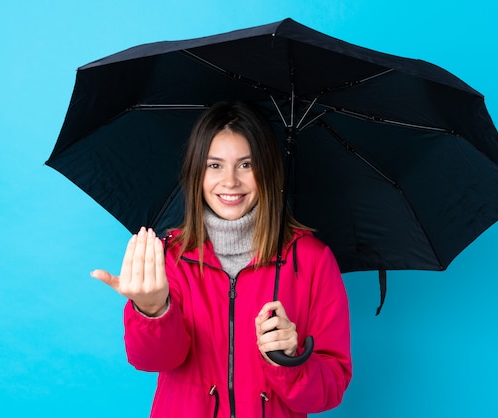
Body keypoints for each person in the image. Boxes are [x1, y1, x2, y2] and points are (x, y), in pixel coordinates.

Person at [91, 101, 351, 417]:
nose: (230, 182)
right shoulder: (171, 256)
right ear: (196, 173)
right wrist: (153, 310)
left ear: (267, 170)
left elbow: (329, 390)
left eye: (246, 165)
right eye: (214, 165)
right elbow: (153, 361)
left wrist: (290, 359)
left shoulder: (313, 260)